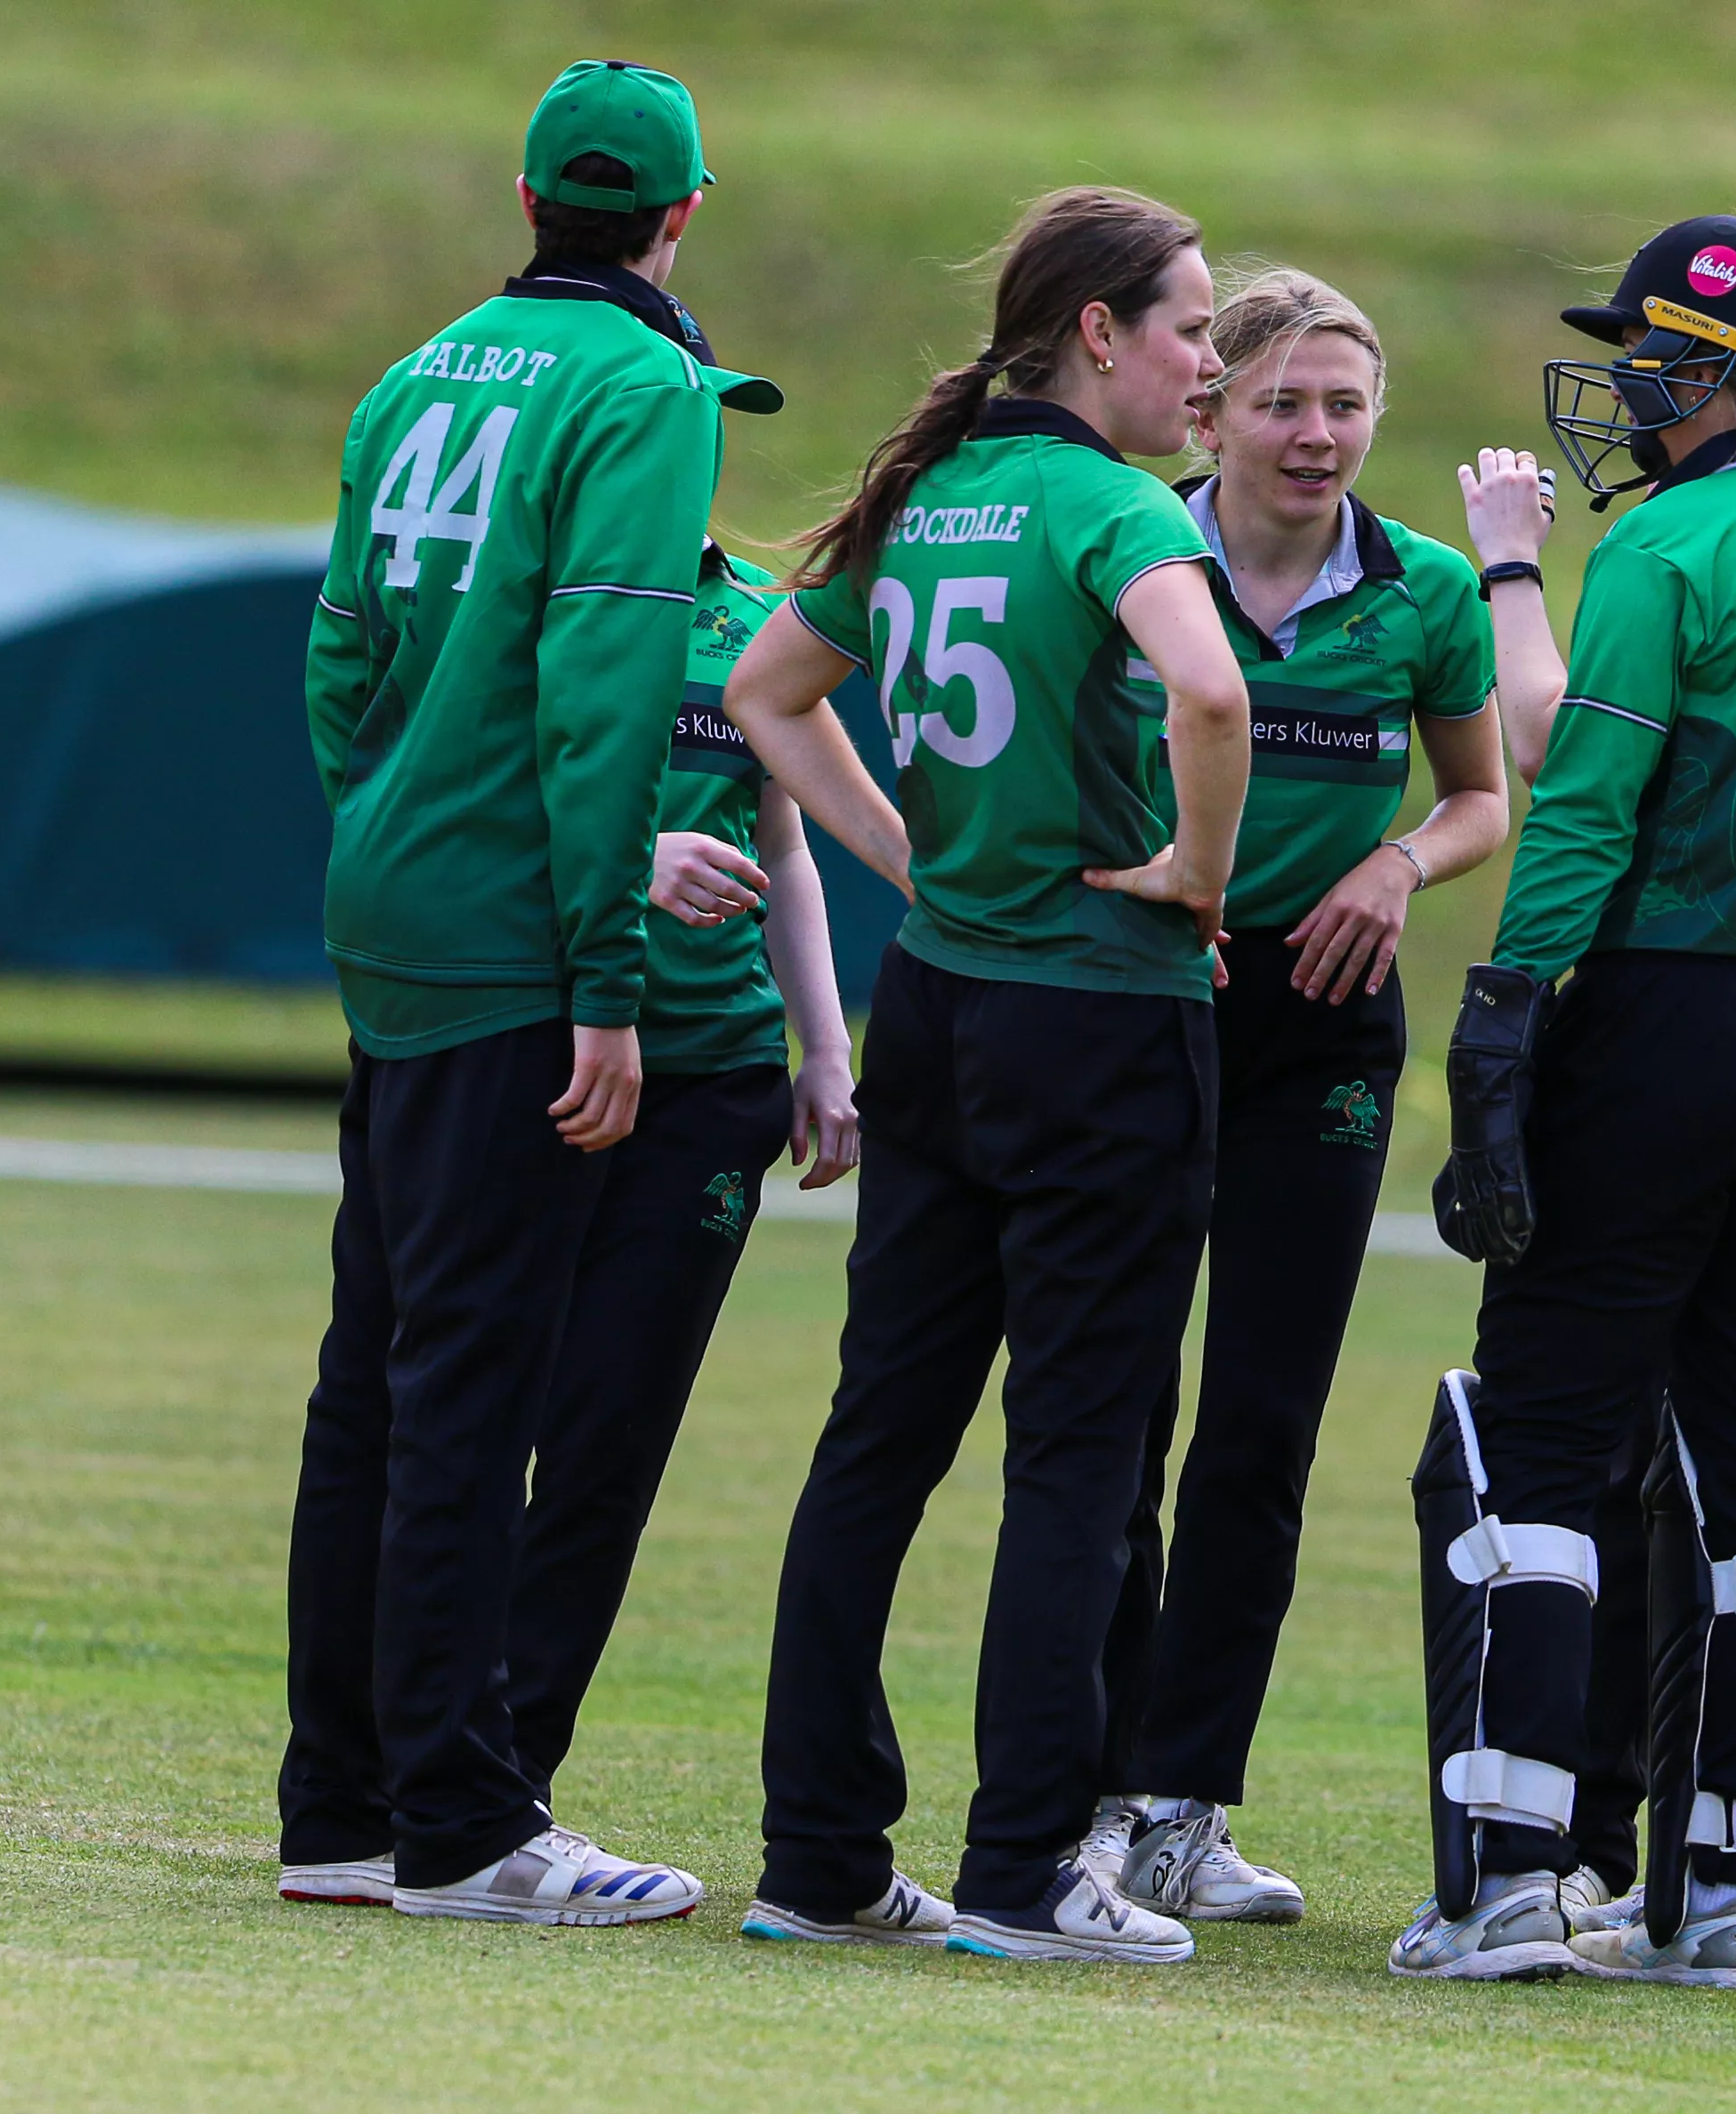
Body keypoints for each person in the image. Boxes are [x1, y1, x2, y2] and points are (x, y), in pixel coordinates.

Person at [1399, 214, 1736, 1990]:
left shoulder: (1668, 545)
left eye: (1651, 355)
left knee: (1547, 1437)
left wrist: (1504, 1009)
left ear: (1727, 377)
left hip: (1671, 1014)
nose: (1626, 383)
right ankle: (1734, 1895)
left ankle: (1508, 1883)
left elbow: (1582, 807)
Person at [278, 61, 783, 1924]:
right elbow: (606, 687)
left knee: (376, 1379)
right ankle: (462, 1825)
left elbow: (341, 663)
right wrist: (606, 972)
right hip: (516, 942)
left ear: (526, 200)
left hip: (395, 913)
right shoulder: (648, 387)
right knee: (475, 1385)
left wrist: (393, 830)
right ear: (681, 214)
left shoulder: (413, 374)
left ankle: (339, 1808)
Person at [725, 187, 1252, 1965]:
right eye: (1192, 326)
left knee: (876, 1439)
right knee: (1077, 1456)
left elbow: (770, 693)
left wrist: (913, 862)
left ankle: (817, 1857)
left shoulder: (926, 495)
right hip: (1096, 1016)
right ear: (1097, 331)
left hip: (939, 1013)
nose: (1210, 362)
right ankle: (1026, 1870)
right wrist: (1194, 875)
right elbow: (1211, 698)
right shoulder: (1114, 509)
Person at [1080, 270, 1510, 1924]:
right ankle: (1084, 1794)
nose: (1314, 433)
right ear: (1210, 414)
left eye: (1343, 404)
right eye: (1280, 402)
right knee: (1113, 1408)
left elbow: (1479, 797)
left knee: (1259, 1423)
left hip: (1321, 1024)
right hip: (1139, 993)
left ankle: (1183, 1802)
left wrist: (1396, 867)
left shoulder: (1425, 593)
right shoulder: (1128, 553)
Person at [497, 538, 885, 1825]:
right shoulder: (521, 592)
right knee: (476, 1418)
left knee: (609, 1441)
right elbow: (451, 797)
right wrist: (631, 857)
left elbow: (784, 843)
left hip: (714, 1080)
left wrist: (822, 1048)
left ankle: (511, 1779)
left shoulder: (760, 619)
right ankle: (415, 1757)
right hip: (535, 1049)